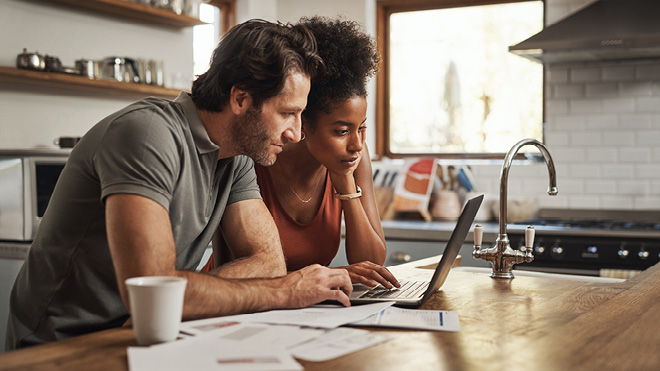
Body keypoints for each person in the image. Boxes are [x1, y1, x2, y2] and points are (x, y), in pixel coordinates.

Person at [5, 19, 353, 351]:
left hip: (149, 333)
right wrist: (284, 292)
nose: (294, 134)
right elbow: (154, 293)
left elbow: (268, 263)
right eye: (287, 113)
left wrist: (178, 299)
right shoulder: (147, 135)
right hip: (64, 346)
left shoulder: (237, 157)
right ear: (240, 99)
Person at [204, 16, 399, 289]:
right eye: (342, 131)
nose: (357, 144)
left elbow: (372, 263)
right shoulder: (255, 155)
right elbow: (238, 267)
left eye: (361, 128)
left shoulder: (352, 158)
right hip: (238, 300)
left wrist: (344, 182)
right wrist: (331, 276)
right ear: (303, 121)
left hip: (305, 306)